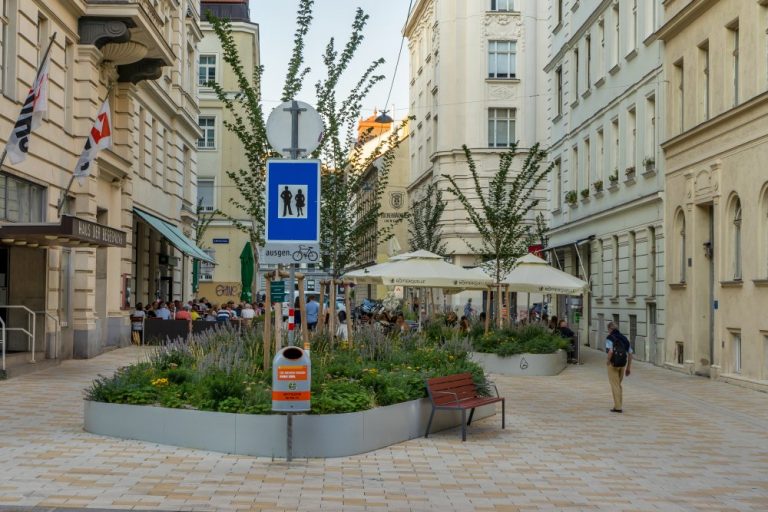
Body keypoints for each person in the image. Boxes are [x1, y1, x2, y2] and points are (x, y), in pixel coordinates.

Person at [605, 322, 632, 413]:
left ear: (610, 329)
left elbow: (610, 351)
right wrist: (628, 367)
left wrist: (608, 361)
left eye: (608, 329)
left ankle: (618, 407)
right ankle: (618, 404)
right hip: (622, 364)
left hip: (613, 364)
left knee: (615, 385)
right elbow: (630, 353)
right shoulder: (624, 338)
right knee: (618, 385)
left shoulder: (610, 338)